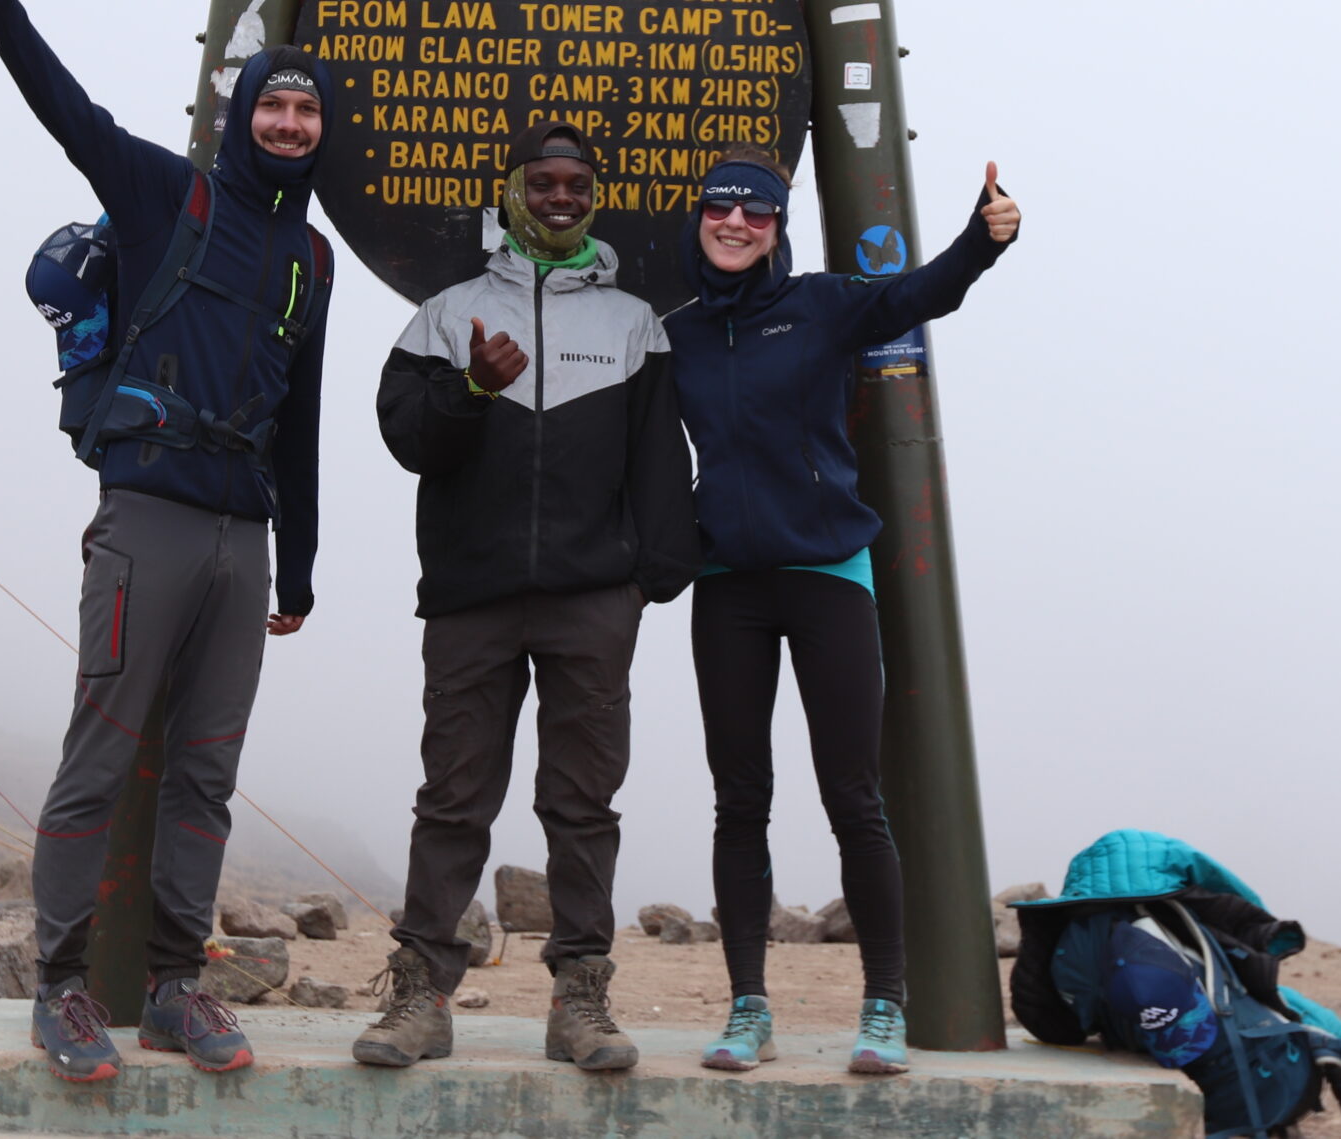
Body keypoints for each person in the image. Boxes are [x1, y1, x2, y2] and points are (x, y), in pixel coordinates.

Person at [0, 0, 331, 1083]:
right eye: (272, 107)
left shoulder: (310, 259)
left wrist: (302, 563)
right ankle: (61, 985)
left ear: (322, 133)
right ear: (243, 116)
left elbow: (301, 419)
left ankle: (175, 986)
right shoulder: (169, 193)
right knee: (104, 748)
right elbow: (65, 113)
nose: (285, 125)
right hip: (149, 517)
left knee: (207, 771)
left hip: (243, 537)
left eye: (305, 115)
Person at [662, 144, 1021, 1076]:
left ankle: (885, 1007)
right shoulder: (683, 333)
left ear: (778, 226)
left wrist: (981, 241)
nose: (736, 223)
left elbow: (918, 295)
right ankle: (749, 1008)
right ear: (699, 217)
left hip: (830, 574)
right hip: (728, 585)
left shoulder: (820, 303)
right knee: (740, 800)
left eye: (758, 213)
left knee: (853, 797)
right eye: (721, 209)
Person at [352, 121, 700, 1075]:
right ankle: (421, 995)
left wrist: (646, 578)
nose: (559, 196)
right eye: (541, 182)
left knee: (582, 802)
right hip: (472, 594)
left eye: (574, 184)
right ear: (511, 192)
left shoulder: (634, 321)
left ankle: (579, 998)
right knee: (453, 797)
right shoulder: (447, 311)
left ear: (594, 195)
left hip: (594, 598)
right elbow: (409, 441)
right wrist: (469, 385)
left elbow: (659, 463)